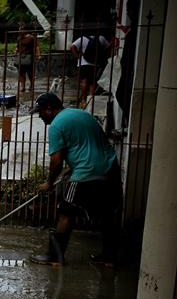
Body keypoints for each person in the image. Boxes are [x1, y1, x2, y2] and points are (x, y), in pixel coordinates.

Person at [28, 92, 122, 266]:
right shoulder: (81, 114)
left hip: (86, 173)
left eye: (40, 111)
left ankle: (55, 257)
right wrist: (70, 168)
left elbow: (56, 161)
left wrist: (49, 183)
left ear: (49, 108)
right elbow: (88, 144)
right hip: (110, 169)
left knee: (66, 213)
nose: (39, 116)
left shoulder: (56, 125)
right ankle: (109, 258)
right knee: (108, 214)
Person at [70, 33, 110, 107]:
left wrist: (78, 56)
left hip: (83, 64)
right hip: (95, 64)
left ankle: (84, 100)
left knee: (84, 81)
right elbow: (108, 48)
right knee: (92, 82)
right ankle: (91, 101)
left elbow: (72, 47)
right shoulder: (102, 38)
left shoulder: (82, 38)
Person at [14, 23, 40, 93]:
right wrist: (15, 52)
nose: (19, 32)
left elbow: (36, 46)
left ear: (24, 31)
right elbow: (17, 47)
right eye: (19, 30)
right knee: (21, 73)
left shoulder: (31, 37)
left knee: (30, 73)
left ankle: (31, 85)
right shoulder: (19, 38)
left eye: (21, 30)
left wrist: (38, 55)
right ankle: (23, 86)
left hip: (29, 57)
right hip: (21, 57)